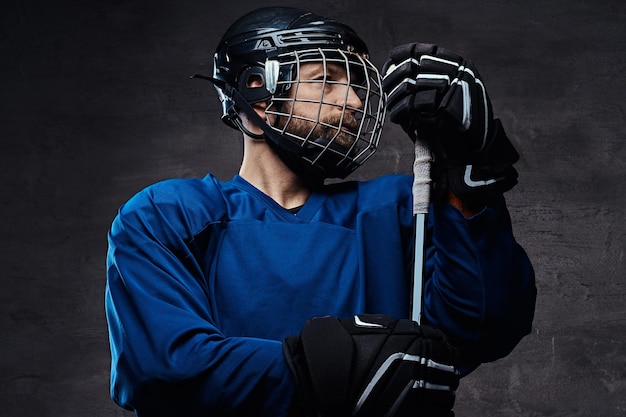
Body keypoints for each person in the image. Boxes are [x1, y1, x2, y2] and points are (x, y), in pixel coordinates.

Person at [105, 6, 536, 417]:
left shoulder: (401, 207)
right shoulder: (164, 216)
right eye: (325, 80)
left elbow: (480, 330)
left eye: (354, 85)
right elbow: (164, 368)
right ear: (257, 91)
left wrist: (469, 176)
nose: (350, 101)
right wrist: (339, 370)